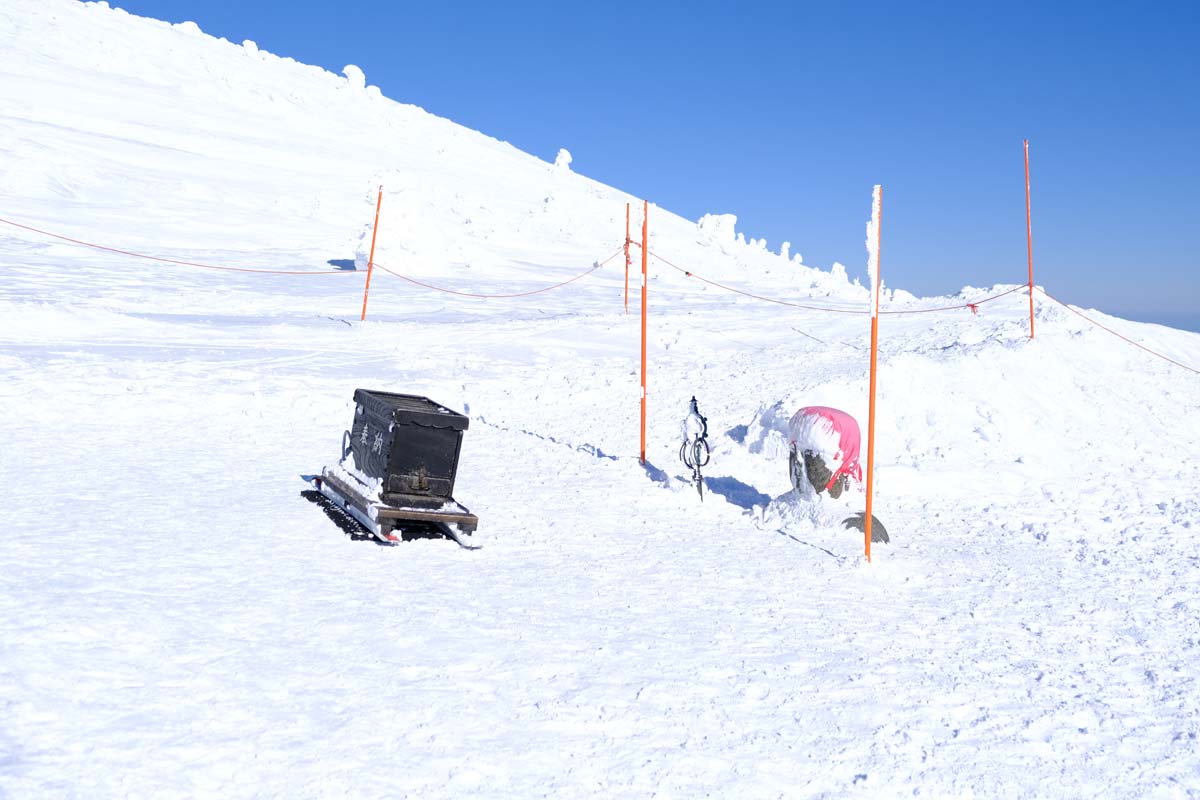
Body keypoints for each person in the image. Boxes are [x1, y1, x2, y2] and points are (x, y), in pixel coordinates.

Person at [786, 405, 862, 500]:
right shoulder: (777, 507)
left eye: (810, 457)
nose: (797, 462)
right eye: (793, 452)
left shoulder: (851, 509)